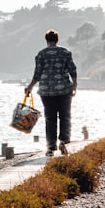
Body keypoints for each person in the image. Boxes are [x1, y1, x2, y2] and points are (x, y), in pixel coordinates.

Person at [25, 29, 78, 157]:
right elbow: (73, 70)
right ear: (57, 39)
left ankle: (50, 147)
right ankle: (64, 142)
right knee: (65, 117)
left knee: (50, 119)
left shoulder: (41, 54)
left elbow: (37, 74)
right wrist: (75, 86)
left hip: (47, 91)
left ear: (46, 40)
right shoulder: (65, 52)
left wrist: (30, 87)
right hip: (64, 90)